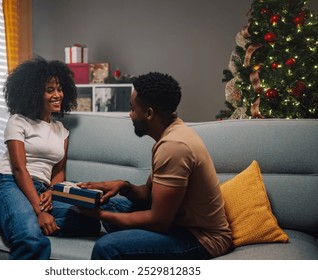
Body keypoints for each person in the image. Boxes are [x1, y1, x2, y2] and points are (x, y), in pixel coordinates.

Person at [79, 72, 232, 260]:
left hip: (202, 237)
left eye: (132, 109)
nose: (130, 115)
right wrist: (124, 186)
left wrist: (100, 215)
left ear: (149, 113)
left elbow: (159, 222)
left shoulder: (174, 146)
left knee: (107, 247)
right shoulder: (170, 135)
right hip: (177, 221)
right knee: (111, 206)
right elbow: (149, 195)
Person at [0, 57, 101, 260]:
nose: (57, 95)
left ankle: (13, 221)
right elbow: (19, 168)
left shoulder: (61, 131)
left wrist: (51, 192)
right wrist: (40, 212)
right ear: (34, 93)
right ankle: (23, 223)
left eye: (59, 89)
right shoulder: (18, 121)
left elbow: (58, 171)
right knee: (31, 239)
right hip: (8, 183)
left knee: (89, 224)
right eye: (50, 90)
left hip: (42, 189)